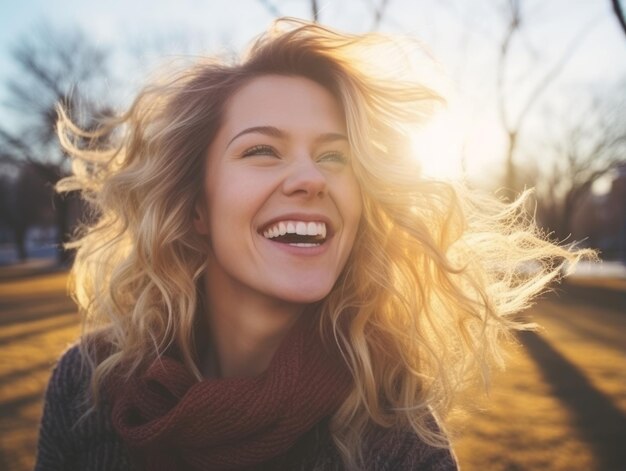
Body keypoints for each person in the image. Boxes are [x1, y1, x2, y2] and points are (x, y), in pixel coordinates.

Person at [35, 18, 584, 471]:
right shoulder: (88, 386)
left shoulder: (398, 442)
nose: (311, 178)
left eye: (334, 156)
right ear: (196, 206)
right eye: (262, 151)